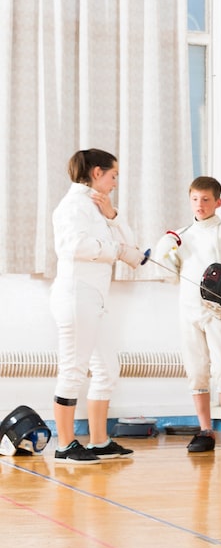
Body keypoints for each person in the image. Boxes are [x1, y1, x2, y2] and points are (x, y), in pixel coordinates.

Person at [49, 148, 146, 462]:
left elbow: (130, 247)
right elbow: (72, 245)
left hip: (95, 299)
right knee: (73, 371)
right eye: (113, 175)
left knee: (107, 369)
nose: (116, 181)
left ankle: (100, 441)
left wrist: (113, 217)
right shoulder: (72, 206)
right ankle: (65, 444)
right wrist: (114, 249)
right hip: (76, 296)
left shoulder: (98, 206)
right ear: (96, 173)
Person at [154, 176, 221, 456]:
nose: (200, 205)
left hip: (219, 313)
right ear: (189, 200)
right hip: (189, 312)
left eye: (205, 199)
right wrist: (163, 250)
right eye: (195, 199)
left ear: (218, 202)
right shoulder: (181, 235)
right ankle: (205, 430)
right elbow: (168, 272)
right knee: (196, 370)